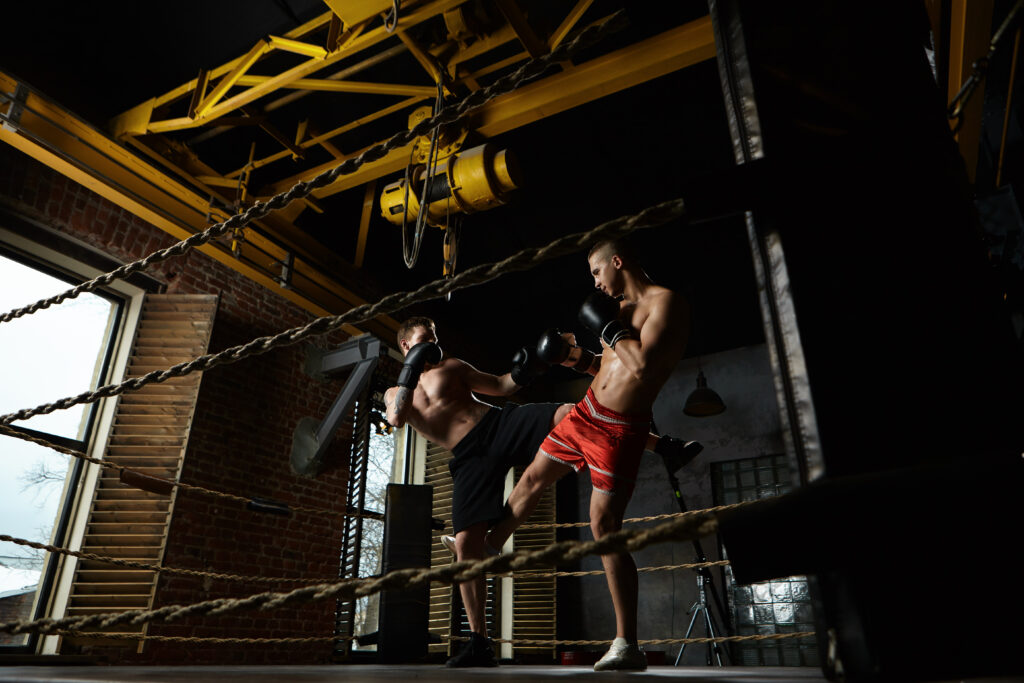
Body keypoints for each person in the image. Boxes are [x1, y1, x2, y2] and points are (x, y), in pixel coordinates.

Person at [383, 315, 700, 668]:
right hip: (468, 458)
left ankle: (664, 447)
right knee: (466, 548)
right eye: (426, 340)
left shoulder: (453, 366)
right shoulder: (396, 393)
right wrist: (410, 371)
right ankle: (478, 643)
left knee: (570, 414)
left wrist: (527, 367)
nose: (434, 346)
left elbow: (502, 386)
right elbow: (396, 419)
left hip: (499, 424)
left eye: (436, 337)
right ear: (407, 346)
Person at [484, 238, 692, 671]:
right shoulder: (616, 312)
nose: (596, 284)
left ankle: (626, 643)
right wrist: (571, 357)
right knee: (530, 479)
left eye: (597, 273)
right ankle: (485, 550)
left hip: (620, 429)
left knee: (604, 526)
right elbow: (609, 366)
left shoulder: (665, 304)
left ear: (617, 262)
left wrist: (607, 328)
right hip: (585, 412)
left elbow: (643, 368)